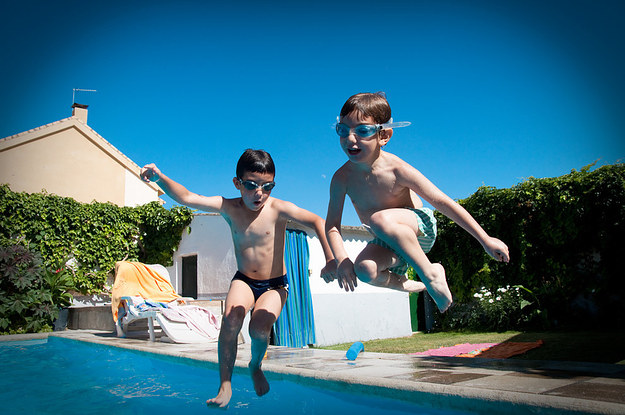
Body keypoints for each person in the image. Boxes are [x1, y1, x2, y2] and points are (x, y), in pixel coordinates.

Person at [141, 149, 336, 408]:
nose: (259, 193)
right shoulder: (229, 207)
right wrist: (160, 178)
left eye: (267, 187)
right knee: (231, 319)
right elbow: (188, 197)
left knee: (258, 328)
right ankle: (225, 384)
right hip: (244, 279)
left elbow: (318, 221)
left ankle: (255, 366)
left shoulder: (279, 208)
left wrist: (330, 258)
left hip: (275, 285)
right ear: (237, 183)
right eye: (251, 185)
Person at [324, 92, 509, 312]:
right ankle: (412, 284)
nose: (350, 139)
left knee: (380, 219)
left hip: (420, 230)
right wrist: (342, 259)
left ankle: (429, 273)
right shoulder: (341, 178)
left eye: (362, 130)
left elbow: (440, 200)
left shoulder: (396, 169)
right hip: (389, 241)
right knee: (364, 270)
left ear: (384, 136)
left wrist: (485, 239)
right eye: (343, 131)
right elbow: (333, 225)